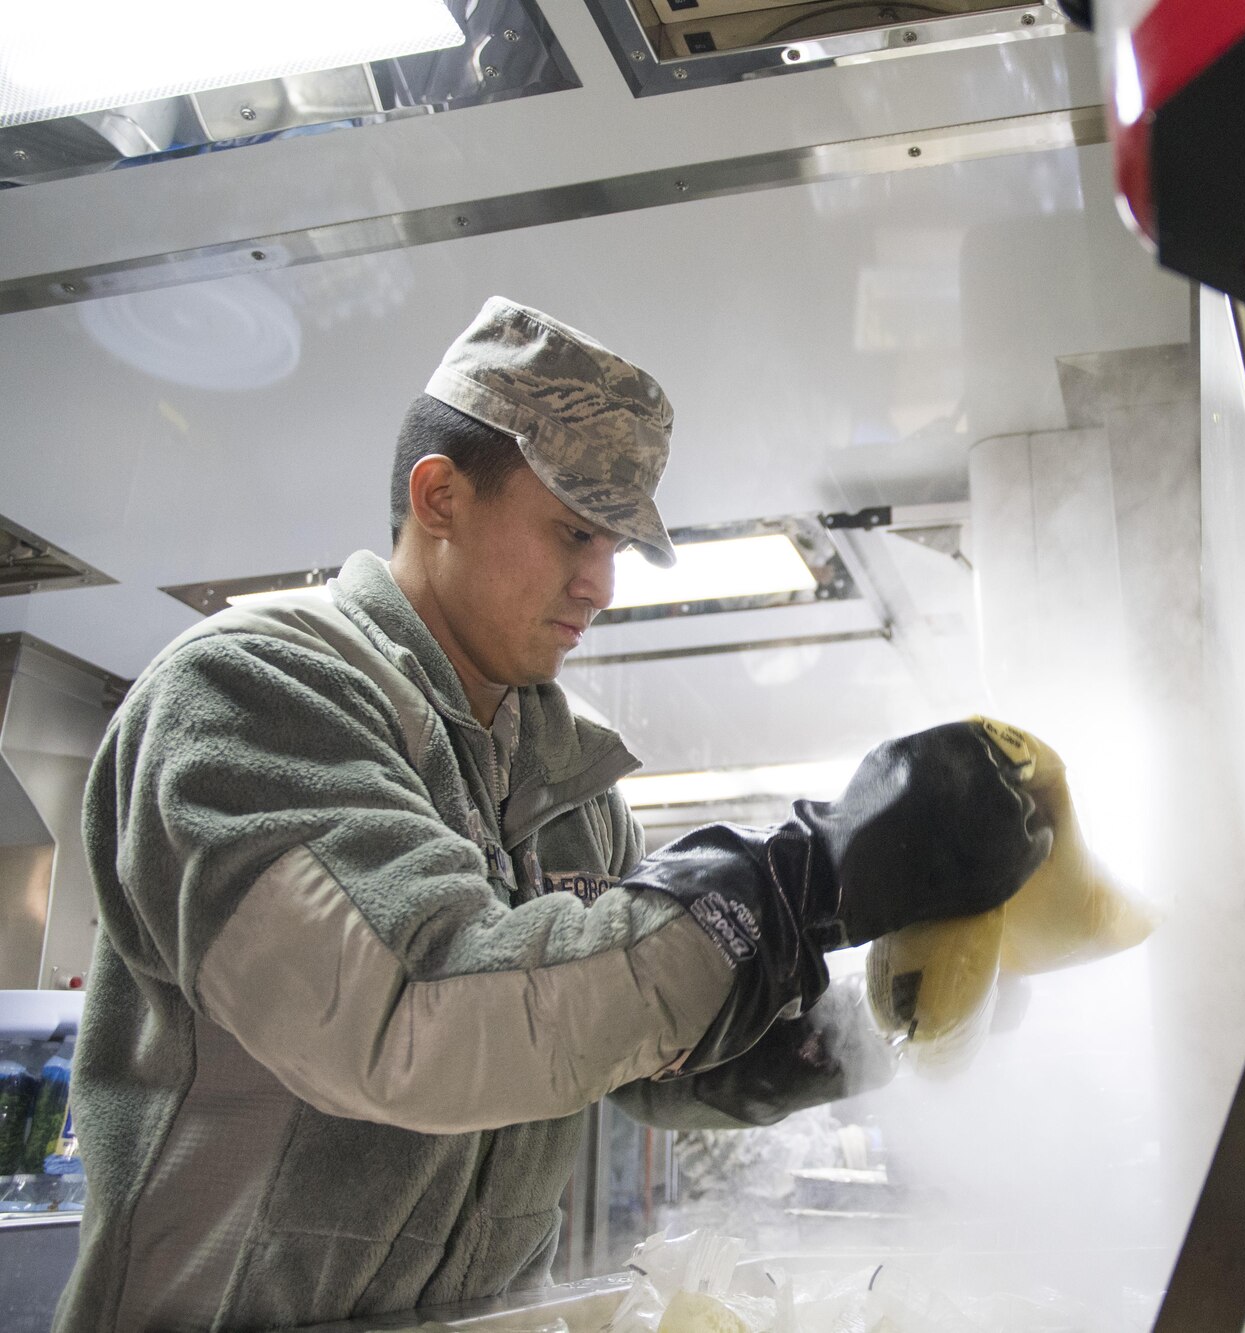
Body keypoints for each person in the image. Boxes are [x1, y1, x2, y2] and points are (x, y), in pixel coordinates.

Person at [55, 297, 1049, 1333]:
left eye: (617, 542)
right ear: (439, 496)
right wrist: (800, 880)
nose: (601, 583)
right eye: (574, 530)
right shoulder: (250, 695)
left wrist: (871, 1022)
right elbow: (409, 1017)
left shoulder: (572, 790)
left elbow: (645, 1062)